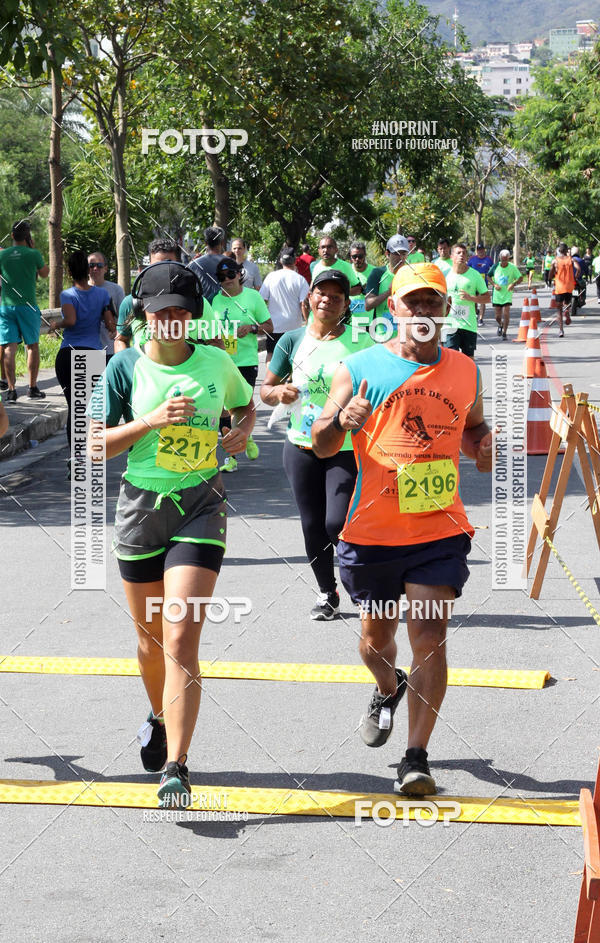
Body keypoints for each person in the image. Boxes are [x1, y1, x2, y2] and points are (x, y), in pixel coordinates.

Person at [311, 262, 493, 795]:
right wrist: (340, 423)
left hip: (439, 529)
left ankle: (416, 758)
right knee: (375, 641)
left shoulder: (465, 370)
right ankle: (387, 687)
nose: (422, 312)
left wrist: (481, 447)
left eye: (432, 302)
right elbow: (321, 442)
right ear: (392, 309)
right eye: (412, 302)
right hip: (373, 534)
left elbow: (473, 428)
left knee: (430, 637)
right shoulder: (360, 368)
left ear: (445, 310)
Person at [87, 261, 255, 808]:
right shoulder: (122, 369)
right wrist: (151, 421)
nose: (171, 323)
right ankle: (157, 714)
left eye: (181, 313)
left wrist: (239, 433)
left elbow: (244, 406)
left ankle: (176, 766)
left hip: (202, 503)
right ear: (144, 317)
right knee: (151, 641)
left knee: (181, 637)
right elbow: (93, 446)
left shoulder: (217, 362)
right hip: (140, 507)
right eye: (161, 315)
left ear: (195, 317)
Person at [260, 269, 373, 620]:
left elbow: (382, 386)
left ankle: (361, 586)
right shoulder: (290, 340)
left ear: (346, 305)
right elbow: (266, 390)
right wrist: (278, 391)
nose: (327, 300)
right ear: (309, 298)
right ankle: (328, 593)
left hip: (345, 448)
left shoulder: (362, 341)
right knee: (312, 525)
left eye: (336, 296)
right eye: (321, 293)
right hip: (299, 446)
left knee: (337, 522)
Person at [50, 250, 115, 474]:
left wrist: (55, 325)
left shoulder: (67, 295)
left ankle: (75, 459)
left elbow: (71, 320)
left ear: (69, 271)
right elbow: (109, 324)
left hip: (69, 353)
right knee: (90, 408)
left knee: (74, 408)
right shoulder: (102, 295)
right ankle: (91, 456)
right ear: (87, 270)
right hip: (94, 354)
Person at [211, 257, 273, 472]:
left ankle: (245, 434)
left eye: (230, 275)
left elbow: (269, 326)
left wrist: (252, 328)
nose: (227, 280)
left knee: (241, 404)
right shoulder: (214, 301)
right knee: (223, 408)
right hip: (221, 360)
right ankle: (232, 457)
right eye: (221, 277)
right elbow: (207, 329)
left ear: (240, 274)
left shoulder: (253, 297)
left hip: (246, 361)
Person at [115, 239, 222, 352]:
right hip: (142, 368)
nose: (163, 270)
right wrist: (126, 364)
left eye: (168, 264)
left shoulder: (197, 302)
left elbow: (215, 342)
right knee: (94, 368)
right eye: (156, 265)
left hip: (187, 368)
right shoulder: (131, 302)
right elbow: (120, 339)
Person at [0, 220, 49, 402]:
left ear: (12, 235)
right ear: (27, 236)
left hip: (6, 306)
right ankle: (32, 387)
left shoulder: (3, 255)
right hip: (27, 306)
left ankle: (12, 390)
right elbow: (44, 273)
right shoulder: (33, 254)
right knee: (32, 346)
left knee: (8, 348)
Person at [259, 248, 309, 365]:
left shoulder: (271, 277)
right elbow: (304, 304)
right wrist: (308, 322)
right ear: (295, 261)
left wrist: (262, 321)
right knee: (293, 355)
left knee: (271, 353)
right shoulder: (300, 280)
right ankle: (289, 380)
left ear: (281, 261)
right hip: (293, 326)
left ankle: (271, 380)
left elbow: (262, 300)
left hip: (274, 326)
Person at [444, 244, 490, 356]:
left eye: (464, 253)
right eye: (458, 253)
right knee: (451, 360)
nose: (462, 255)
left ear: (467, 258)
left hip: (468, 325)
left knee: (468, 361)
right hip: (450, 325)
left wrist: (471, 298)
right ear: (451, 256)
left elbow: (487, 298)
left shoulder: (475, 275)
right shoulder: (445, 275)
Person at [364, 235, 410, 335]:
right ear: (387, 254)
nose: (401, 258)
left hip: (407, 337)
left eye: (404, 253)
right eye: (396, 254)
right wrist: (389, 292)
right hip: (383, 336)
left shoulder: (412, 274)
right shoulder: (378, 274)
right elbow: (368, 305)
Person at [87, 250, 125, 357]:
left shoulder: (116, 290)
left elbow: (125, 320)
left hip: (111, 349)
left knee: (109, 375)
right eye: (91, 265)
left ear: (105, 268)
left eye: (99, 265)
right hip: (87, 350)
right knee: (90, 374)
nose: (95, 268)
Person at [489, 250, 523, 340]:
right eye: (502, 260)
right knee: (497, 316)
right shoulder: (495, 266)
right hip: (497, 295)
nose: (504, 262)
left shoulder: (512, 267)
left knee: (506, 313)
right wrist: (494, 284)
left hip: (507, 294)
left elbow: (520, 278)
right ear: (500, 259)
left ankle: (504, 333)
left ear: (508, 259)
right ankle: (500, 324)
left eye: (505, 260)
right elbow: (488, 276)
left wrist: (513, 284)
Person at [187, 226, 226, 303]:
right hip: (226, 310)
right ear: (222, 242)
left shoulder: (193, 265)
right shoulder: (230, 263)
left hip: (202, 310)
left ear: (206, 243)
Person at [549, 243, 580, 337]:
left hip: (559, 287)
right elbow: (578, 269)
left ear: (559, 251)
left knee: (559, 310)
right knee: (567, 304)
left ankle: (561, 330)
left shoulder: (555, 261)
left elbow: (551, 274)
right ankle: (567, 311)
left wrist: (551, 275)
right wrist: (575, 278)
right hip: (569, 286)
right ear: (567, 251)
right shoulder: (571, 259)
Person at [467, 244, 494, 325]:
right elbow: (467, 269)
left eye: (482, 250)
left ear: (484, 250)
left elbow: (494, 270)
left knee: (482, 301)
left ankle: (481, 319)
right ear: (476, 251)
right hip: (473, 284)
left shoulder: (489, 259)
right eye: (479, 250)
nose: (480, 252)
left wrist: (493, 281)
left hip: (484, 283)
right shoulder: (472, 259)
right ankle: (476, 313)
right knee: (474, 300)